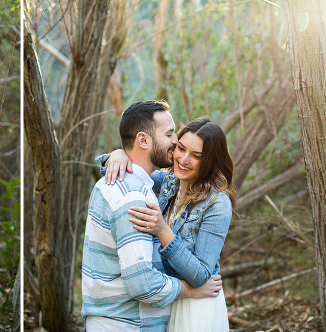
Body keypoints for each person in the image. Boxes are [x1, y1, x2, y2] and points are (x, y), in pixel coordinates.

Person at [81, 101, 223, 332]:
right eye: (169, 134)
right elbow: (141, 283)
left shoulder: (114, 183)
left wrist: (117, 154)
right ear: (143, 140)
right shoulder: (133, 197)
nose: (176, 141)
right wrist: (189, 291)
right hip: (127, 324)